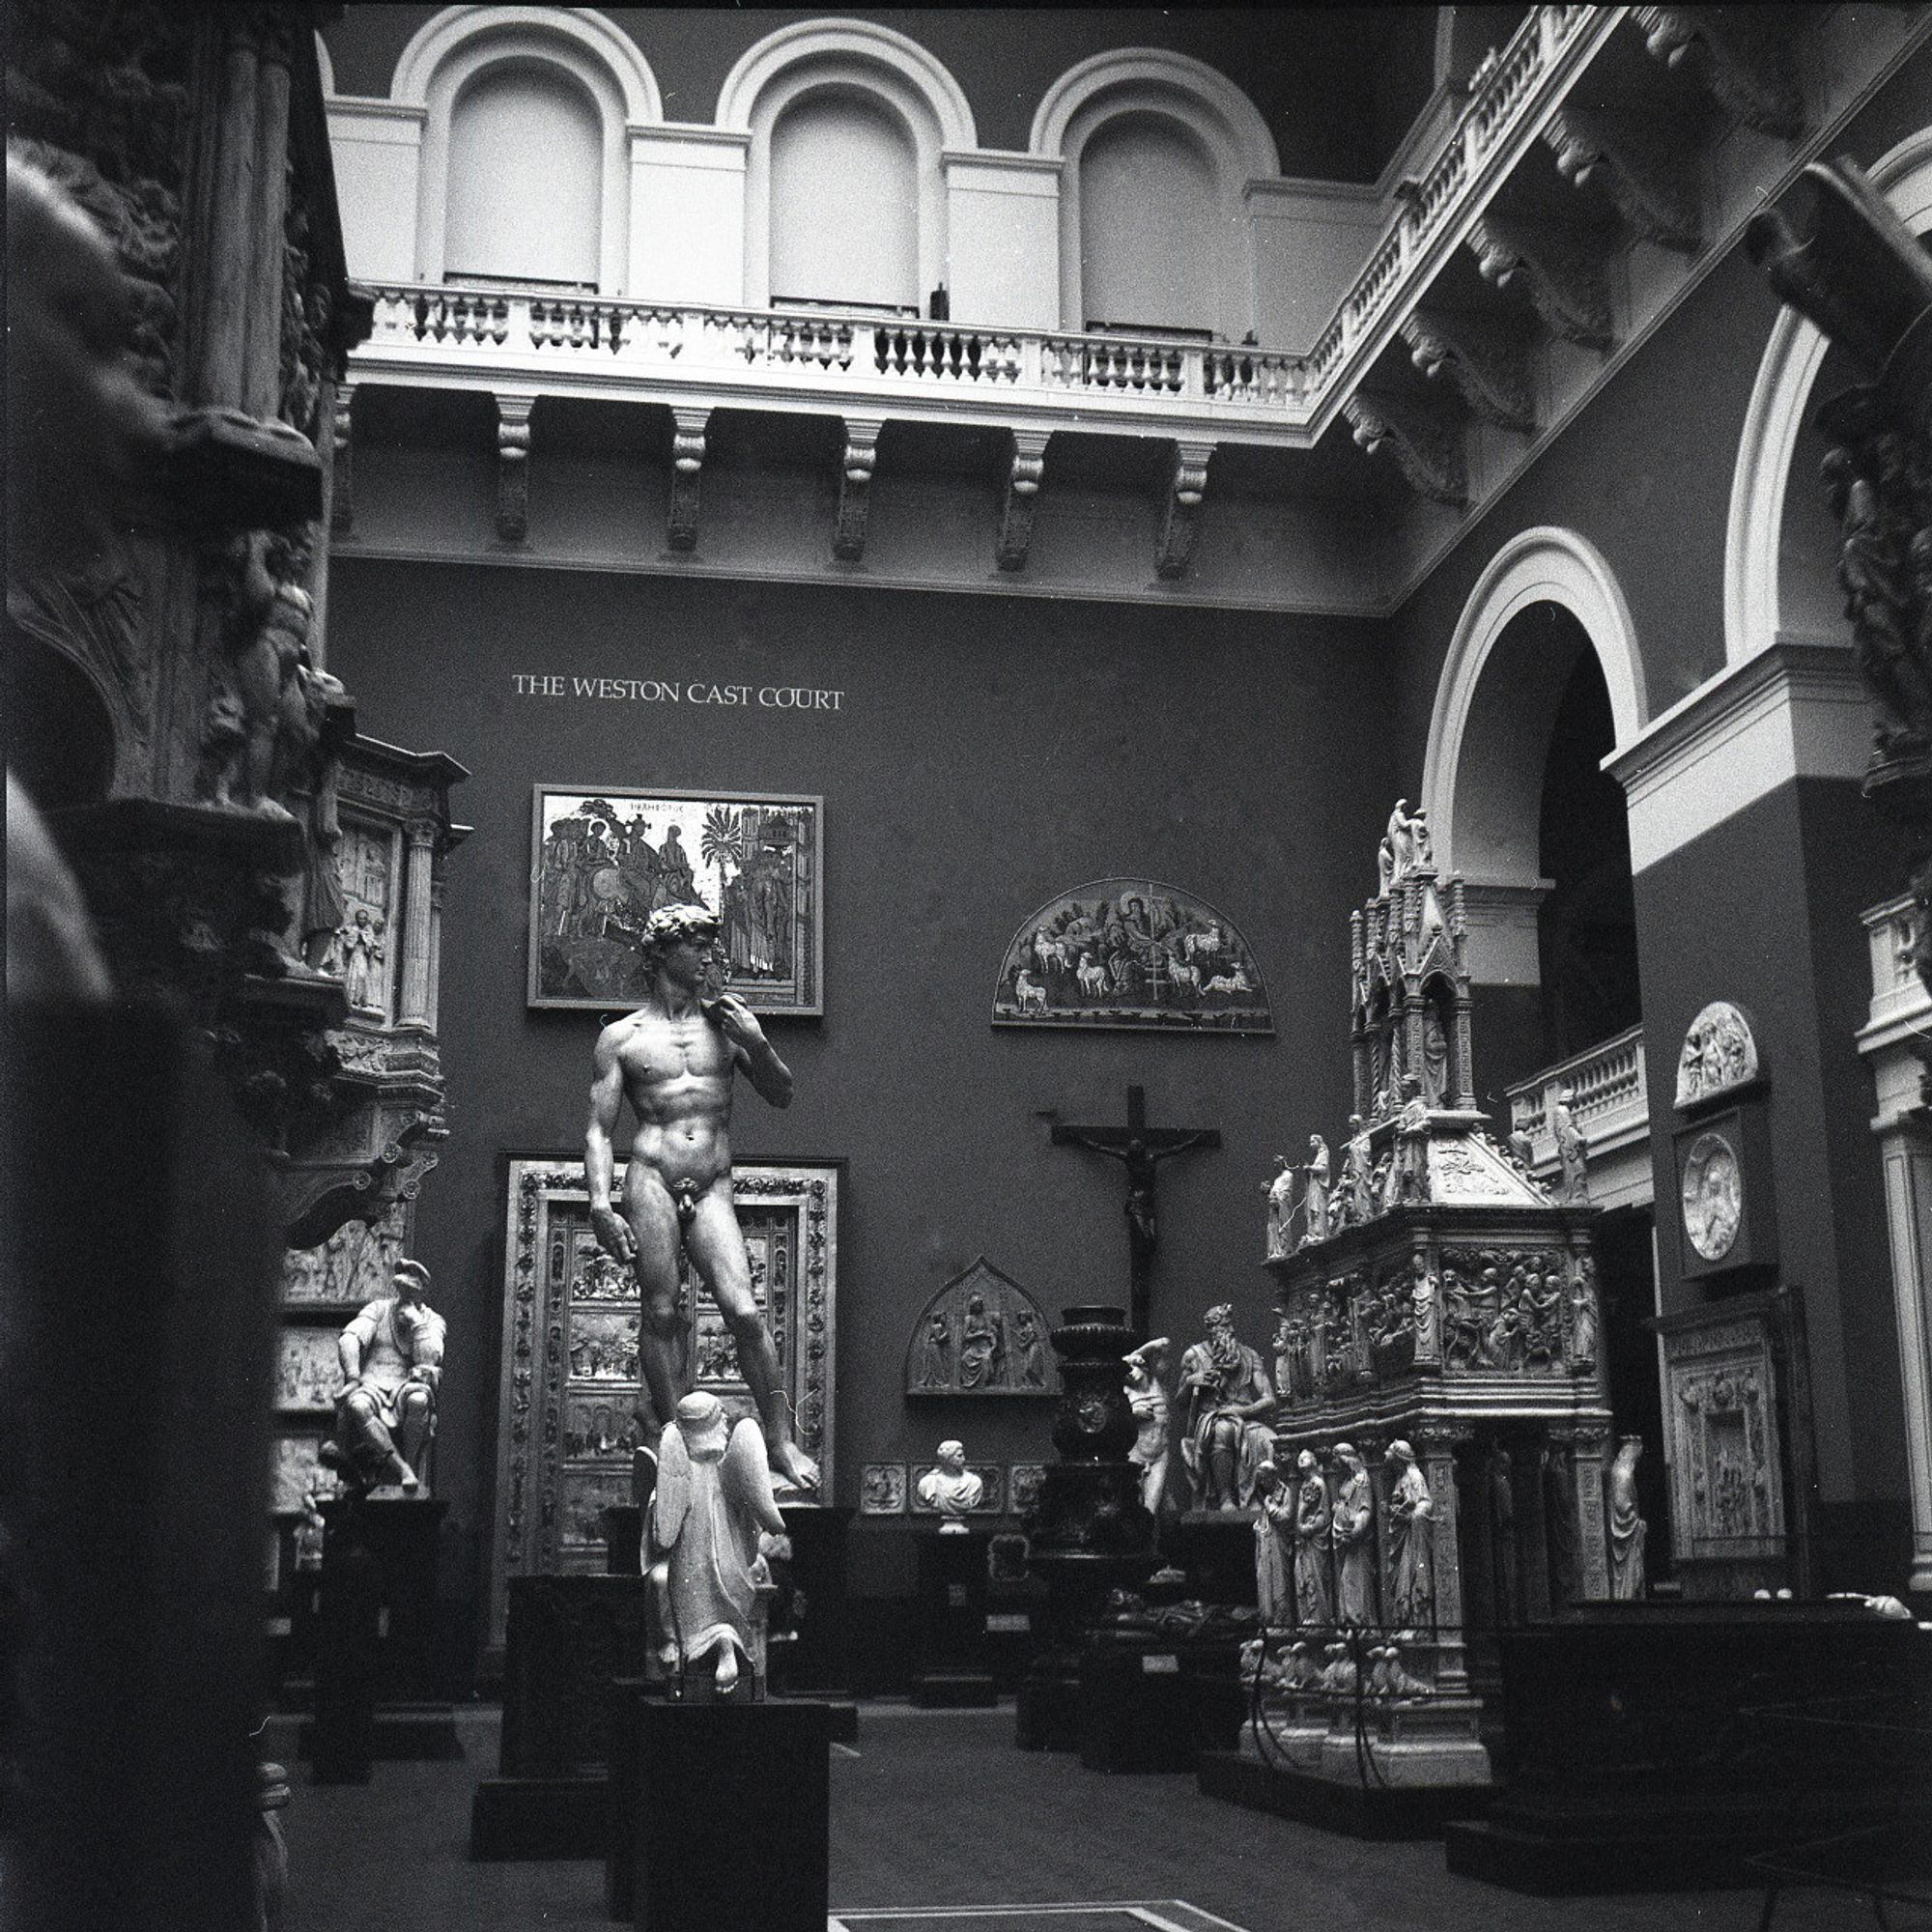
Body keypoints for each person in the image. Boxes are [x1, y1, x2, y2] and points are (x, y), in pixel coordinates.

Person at [585, 903, 818, 1491]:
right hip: (652, 1175)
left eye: (713, 946)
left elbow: (782, 1094)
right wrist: (599, 1204)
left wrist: (758, 1043)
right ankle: (674, 1442)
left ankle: (781, 1442)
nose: (712, 956)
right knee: (661, 1313)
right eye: (699, 946)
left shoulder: (728, 1025)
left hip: (713, 1181)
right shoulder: (622, 1037)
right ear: (664, 953)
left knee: (743, 1310)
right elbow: (598, 1129)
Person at [650, 1392, 785, 1692]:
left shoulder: (678, 1464)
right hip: (729, 1557)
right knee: (725, 1602)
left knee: (691, 1599)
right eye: (721, 1419)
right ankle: (727, 1643)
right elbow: (752, 1511)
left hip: (690, 1556)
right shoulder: (728, 1469)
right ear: (710, 1424)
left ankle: (712, 1646)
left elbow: (663, 1532)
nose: (726, 1425)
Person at [324, 1259, 446, 1492]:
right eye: (403, 1291)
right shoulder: (379, 1310)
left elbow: (428, 1359)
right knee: (358, 1406)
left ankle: (411, 1475)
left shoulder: (432, 1320)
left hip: (407, 1385)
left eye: (412, 1292)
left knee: (418, 1400)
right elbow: (349, 1338)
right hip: (371, 1384)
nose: (406, 1296)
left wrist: (417, 1324)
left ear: (422, 1293)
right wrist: (352, 1376)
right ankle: (403, 1470)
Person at [1178, 1303, 1277, 1511]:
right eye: (1223, 1325)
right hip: (1213, 1417)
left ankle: (1258, 1498)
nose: (1230, 1330)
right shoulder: (1194, 1356)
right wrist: (1191, 1382)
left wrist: (1242, 1411)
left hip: (1247, 1419)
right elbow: (1180, 1402)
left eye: (1230, 1325)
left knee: (1271, 1440)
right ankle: (1225, 1498)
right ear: (1211, 1329)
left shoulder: (1249, 1355)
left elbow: (1269, 1399)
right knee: (1223, 1431)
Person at [1384, 1440, 1435, 1628]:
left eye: (1389, 1451)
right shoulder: (1402, 1477)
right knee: (1401, 1580)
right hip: (1402, 1536)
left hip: (1413, 1537)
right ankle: (1406, 1622)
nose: (1385, 1454)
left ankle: (1419, 1624)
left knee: (1412, 1577)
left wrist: (1410, 1516)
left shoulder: (1414, 1476)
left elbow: (1425, 1504)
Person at [1123, 1337, 1173, 1514]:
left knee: (1150, 1510)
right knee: (1133, 1508)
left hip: (1159, 1455)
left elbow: (1164, 1343)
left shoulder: (1158, 1384)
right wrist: (1133, 1415)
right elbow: (1112, 1420)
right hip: (1135, 1455)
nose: (1128, 1373)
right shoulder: (1125, 1392)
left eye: (1131, 1367)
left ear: (1142, 1365)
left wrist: (1137, 1354)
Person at [1330, 1442, 1377, 1626]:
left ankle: (1360, 1621)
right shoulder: (1348, 1481)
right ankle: (1350, 1621)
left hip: (1356, 1541)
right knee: (1345, 1581)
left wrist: (1356, 1531)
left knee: (1354, 1580)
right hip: (1343, 1540)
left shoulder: (1361, 1481)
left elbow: (1365, 1510)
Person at [917, 1440, 983, 1528]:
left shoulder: (974, 1483)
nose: (963, 1459)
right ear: (947, 1459)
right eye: (959, 1456)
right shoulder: (928, 1483)